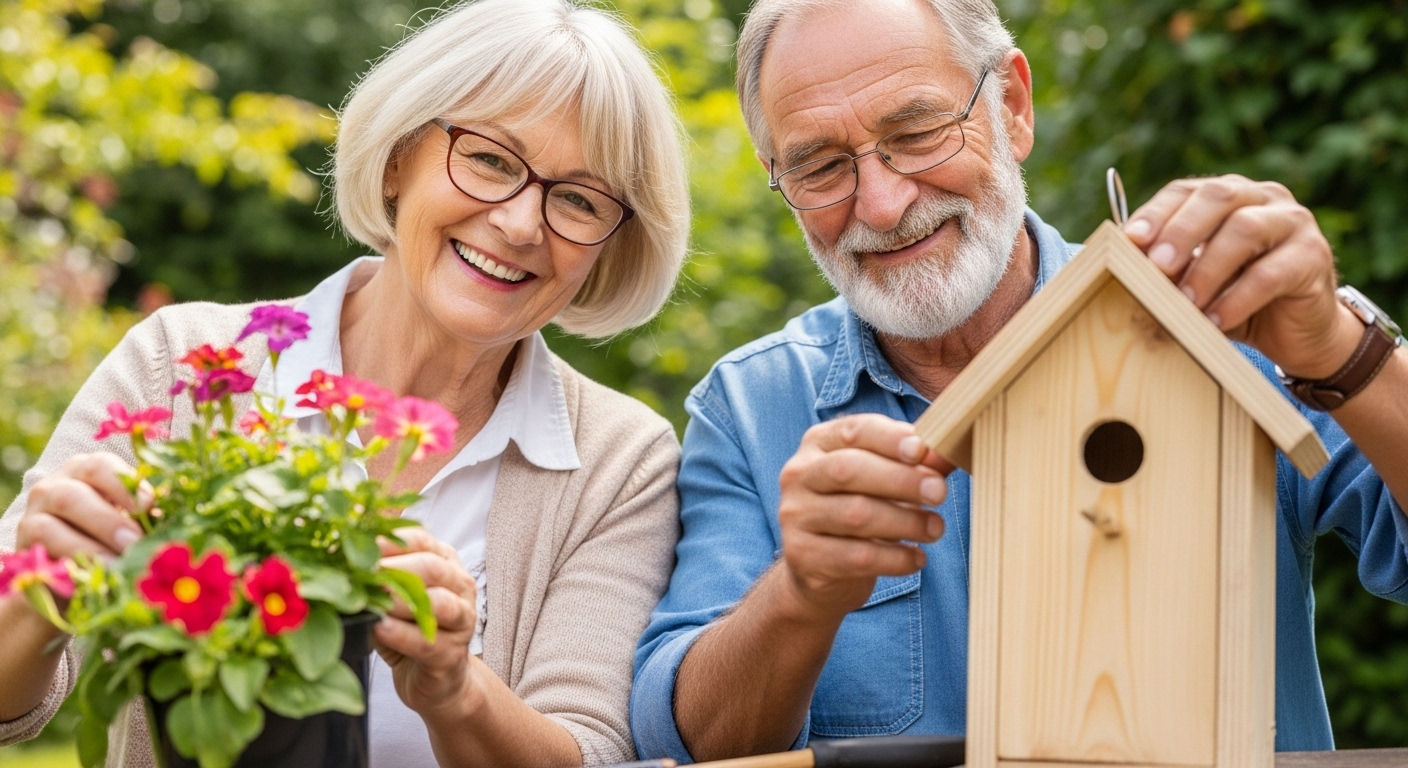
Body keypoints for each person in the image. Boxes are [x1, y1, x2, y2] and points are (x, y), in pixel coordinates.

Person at [632, 0, 1408, 761]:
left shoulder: (1218, 322)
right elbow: (683, 740)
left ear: (1013, 105)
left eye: (917, 131)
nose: (883, 202)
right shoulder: (752, 406)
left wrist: (1343, 351)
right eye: (821, 166)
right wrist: (801, 593)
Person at [0, 0, 690, 765]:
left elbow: (590, 750)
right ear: (400, 158)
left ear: (609, 248)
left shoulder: (620, 460)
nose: (523, 223)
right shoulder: (186, 363)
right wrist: (41, 599)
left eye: (579, 201)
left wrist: (458, 688)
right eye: (492, 159)